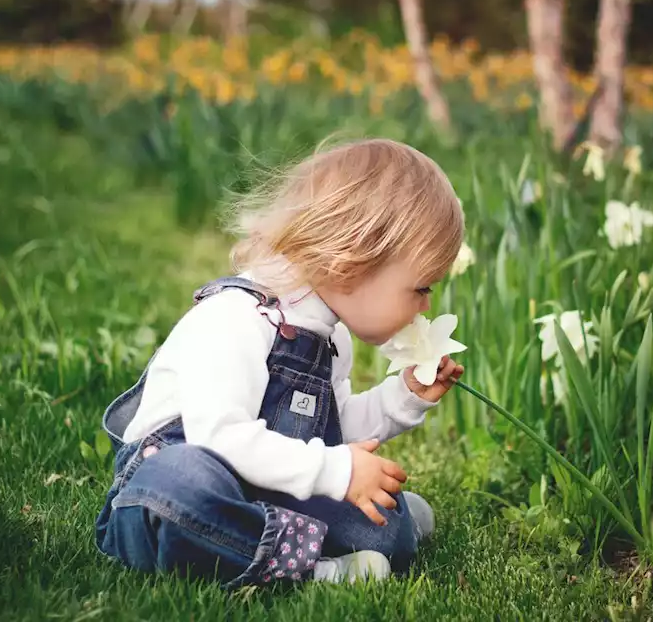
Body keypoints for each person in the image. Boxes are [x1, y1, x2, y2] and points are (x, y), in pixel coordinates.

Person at [93, 138, 466, 589]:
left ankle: (335, 532)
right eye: (421, 288)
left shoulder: (331, 338)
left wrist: (403, 398)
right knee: (181, 485)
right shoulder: (237, 318)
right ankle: (312, 570)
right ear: (351, 263)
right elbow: (220, 438)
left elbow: (332, 430)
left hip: (264, 489)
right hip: (176, 493)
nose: (425, 306)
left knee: (387, 527)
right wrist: (336, 472)